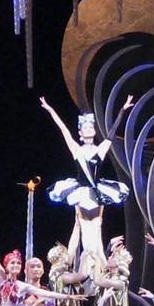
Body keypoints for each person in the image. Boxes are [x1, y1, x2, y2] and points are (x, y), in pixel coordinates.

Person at [41, 96, 132, 265]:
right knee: (82, 225)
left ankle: (99, 263)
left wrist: (123, 109)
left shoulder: (101, 149)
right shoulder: (76, 149)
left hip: (97, 191)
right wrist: (50, 109)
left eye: (91, 126)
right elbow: (63, 129)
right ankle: (84, 260)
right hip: (81, 191)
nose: (89, 129)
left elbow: (112, 132)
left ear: (95, 131)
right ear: (80, 133)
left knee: (97, 226)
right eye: (85, 127)